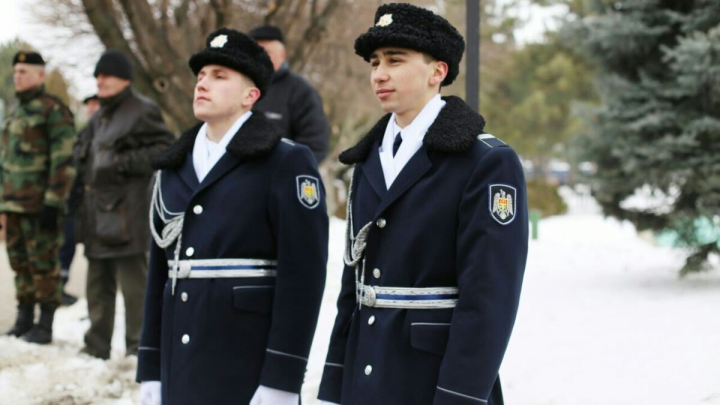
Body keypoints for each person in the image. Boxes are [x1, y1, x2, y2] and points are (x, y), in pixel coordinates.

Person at [317, 4, 529, 405]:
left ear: (438, 72)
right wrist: (333, 387)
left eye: (395, 60)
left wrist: (458, 397)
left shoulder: (485, 162)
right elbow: (354, 288)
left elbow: (488, 301)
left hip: (433, 383)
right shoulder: (367, 160)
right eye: (375, 62)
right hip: (364, 379)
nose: (379, 73)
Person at [135, 28, 328, 405]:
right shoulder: (172, 167)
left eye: (220, 76)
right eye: (201, 75)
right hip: (180, 366)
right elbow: (161, 273)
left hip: (246, 370)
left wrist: (282, 379)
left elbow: (302, 278)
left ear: (250, 95)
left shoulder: (285, 161)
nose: (203, 84)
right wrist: (151, 369)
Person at [74, 50, 174, 360]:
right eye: (97, 76)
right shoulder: (101, 114)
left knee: (134, 288)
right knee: (97, 284)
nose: (100, 80)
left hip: (126, 214)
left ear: (125, 79)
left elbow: (165, 148)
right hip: (96, 212)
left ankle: (138, 348)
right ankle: (96, 346)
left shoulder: (142, 110)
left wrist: (121, 162)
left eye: (107, 75)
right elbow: (85, 147)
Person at [248, 25, 330, 163]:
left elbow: (315, 145)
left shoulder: (302, 92)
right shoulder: (235, 87)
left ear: (283, 55)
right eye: (253, 52)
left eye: (266, 52)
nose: (259, 58)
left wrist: (283, 174)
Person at [58, 94, 100, 307]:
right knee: (66, 245)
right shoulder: (83, 134)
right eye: (89, 105)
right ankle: (60, 287)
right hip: (75, 202)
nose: (91, 108)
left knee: (94, 251)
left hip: (95, 203)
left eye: (96, 104)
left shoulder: (102, 133)